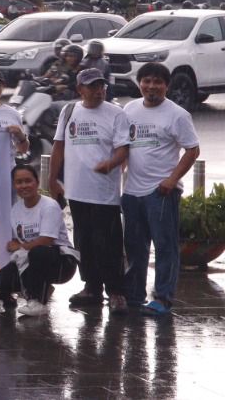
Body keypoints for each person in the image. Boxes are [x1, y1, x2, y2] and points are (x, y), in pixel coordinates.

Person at [48, 67, 131, 312]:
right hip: (76, 190)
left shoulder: (117, 114)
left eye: (101, 86)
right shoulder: (69, 110)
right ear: (79, 89)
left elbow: (123, 149)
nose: (98, 91)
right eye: (92, 87)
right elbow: (59, 146)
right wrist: (52, 179)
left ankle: (116, 291)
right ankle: (92, 287)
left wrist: (111, 164)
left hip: (104, 193)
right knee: (84, 241)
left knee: (109, 242)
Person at [121, 62, 201, 316]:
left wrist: (171, 180)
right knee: (134, 246)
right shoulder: (130, 108)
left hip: (161, 192)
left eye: (157, 82)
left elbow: (192, 149)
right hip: (132, 191)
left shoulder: (177, 114)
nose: (151, 86)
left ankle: (163, 298)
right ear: (139, 83)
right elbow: (124, 146)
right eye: (146, 81)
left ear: (166, 85)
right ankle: (133, 294)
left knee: (165, 246)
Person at [0, 163, 78, 317]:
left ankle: (36, 301)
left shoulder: (50, 206)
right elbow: (15, 243)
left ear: (37, 182)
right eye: (19, 182)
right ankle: (44, 289)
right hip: (33, 257)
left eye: (28, 181)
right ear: (14, 185)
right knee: (1, 280)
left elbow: (46, 240)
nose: (24, 185)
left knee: (37, 252)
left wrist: (20, 245)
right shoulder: (15, 210)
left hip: (62, 263)